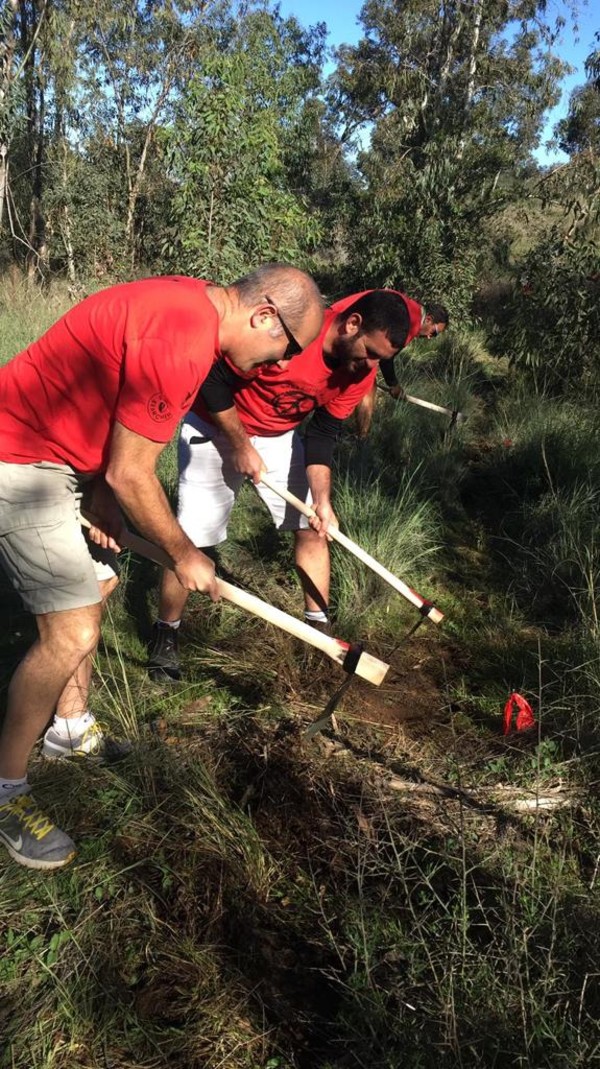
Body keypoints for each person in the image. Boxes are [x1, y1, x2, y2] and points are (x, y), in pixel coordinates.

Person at [0, 264, 324, 870]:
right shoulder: (183, 339)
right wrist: (183, 554)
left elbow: (111, 423)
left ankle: (69, 730)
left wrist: (97, 485)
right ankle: (7, 793)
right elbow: (133, 472)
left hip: (69, 458)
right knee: (71, 630)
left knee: (100, 582)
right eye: (287, 347)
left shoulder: (190, 303)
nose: (281, 365)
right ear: (264, 316)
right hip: (20, 458)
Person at [148, 288, 443, 683]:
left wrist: (322, 501)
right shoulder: (293, 331)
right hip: (217, 424)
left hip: (279, 434)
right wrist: (238, 443)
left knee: (313, 527)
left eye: (380, 360)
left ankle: (318, 632)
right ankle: (166, 634)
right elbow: (213, 379)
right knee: (191, 541)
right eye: (369, 352)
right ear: (351, 324)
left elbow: (323, 432)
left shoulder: (361, 371)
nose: (370, 366)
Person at [354, 302, 450, 436]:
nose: (430, 337)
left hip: (355, 335)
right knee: (368, 383)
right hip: (352, 338)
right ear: (428, 319)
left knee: (368, 380)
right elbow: (386, 358)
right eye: (434, 332)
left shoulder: (410, 312)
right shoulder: (408, 322)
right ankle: (361, 439)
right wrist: (394, 385)